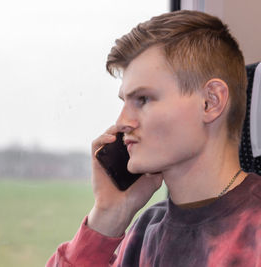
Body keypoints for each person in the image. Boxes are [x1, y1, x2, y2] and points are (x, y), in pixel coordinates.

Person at [46, 10, 261, 267]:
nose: (122, 122)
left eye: (143, 99)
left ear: (209, 102)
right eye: (125, 101)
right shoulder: (143, 232)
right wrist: (107, 216)